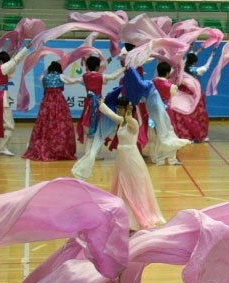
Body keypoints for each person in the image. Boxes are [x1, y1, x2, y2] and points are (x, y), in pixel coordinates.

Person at [99, 97, 166, 230]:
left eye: (120, 108)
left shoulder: (133, 122)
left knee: (133, 187)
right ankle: (123, 216)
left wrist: (129, 114)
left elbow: (131, 122)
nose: (118, 110)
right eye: (117, 107)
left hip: (131, 158)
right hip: (122, 160)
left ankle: (136, 218)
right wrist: (102, 104)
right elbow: (111, 114)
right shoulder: (121, 121)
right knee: (121, 186)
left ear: (127, 109)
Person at [23, 61, 78, 162]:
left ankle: (45, 148)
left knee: (45, 125)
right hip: (58, 103)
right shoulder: (61, 76)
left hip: (47, 103)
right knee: (60, 125)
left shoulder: (43, 77)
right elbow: (73, 81)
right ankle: (59, 149)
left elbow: (43, 84)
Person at [0, 45, 29, 157]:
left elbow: (12, 63)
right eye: (6, 62)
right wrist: (26, 48)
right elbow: (15, 60)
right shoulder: (1, 69)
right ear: (2, 61)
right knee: (9, 125)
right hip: (1, 99)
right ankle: (2, 148)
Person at [73, 55, 124, 149]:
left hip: (88, 104)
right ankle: (91, 153)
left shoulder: (84, 76)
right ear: (97, 67)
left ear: (87, 66)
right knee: (96, 128)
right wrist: (123, 68)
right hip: (98, 104)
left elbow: (72, 80)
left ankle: (90, 153)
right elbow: (113, 76)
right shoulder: (101, 76)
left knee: (89, 128)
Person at [173, 50, 216, 144]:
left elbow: (185, 60)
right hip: (196, 94)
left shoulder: (182, 70)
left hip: (184, 93)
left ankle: (186, 134)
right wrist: (211, 56)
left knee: (186, 114)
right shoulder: (197, 70)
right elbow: (206, 66)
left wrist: (195, 50)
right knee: (200, 115)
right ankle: (200, 134)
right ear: (195, 62)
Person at [152, 62, 183, 166]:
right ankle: (171, 159)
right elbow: (173, 94)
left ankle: (158, 159)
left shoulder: (152, 82)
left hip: (155, 110)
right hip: (165, 111)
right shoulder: (171, 86)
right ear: (167, 73)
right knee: (170, 134)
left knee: (159, 135)